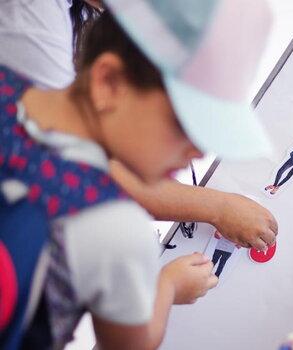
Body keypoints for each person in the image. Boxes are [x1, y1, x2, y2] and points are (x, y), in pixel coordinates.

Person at [0, 0, 273, 347]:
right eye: (185, 125)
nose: (198, 151)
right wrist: (168, 286)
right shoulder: (115, 228)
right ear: (108, 83)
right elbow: (131, 343)